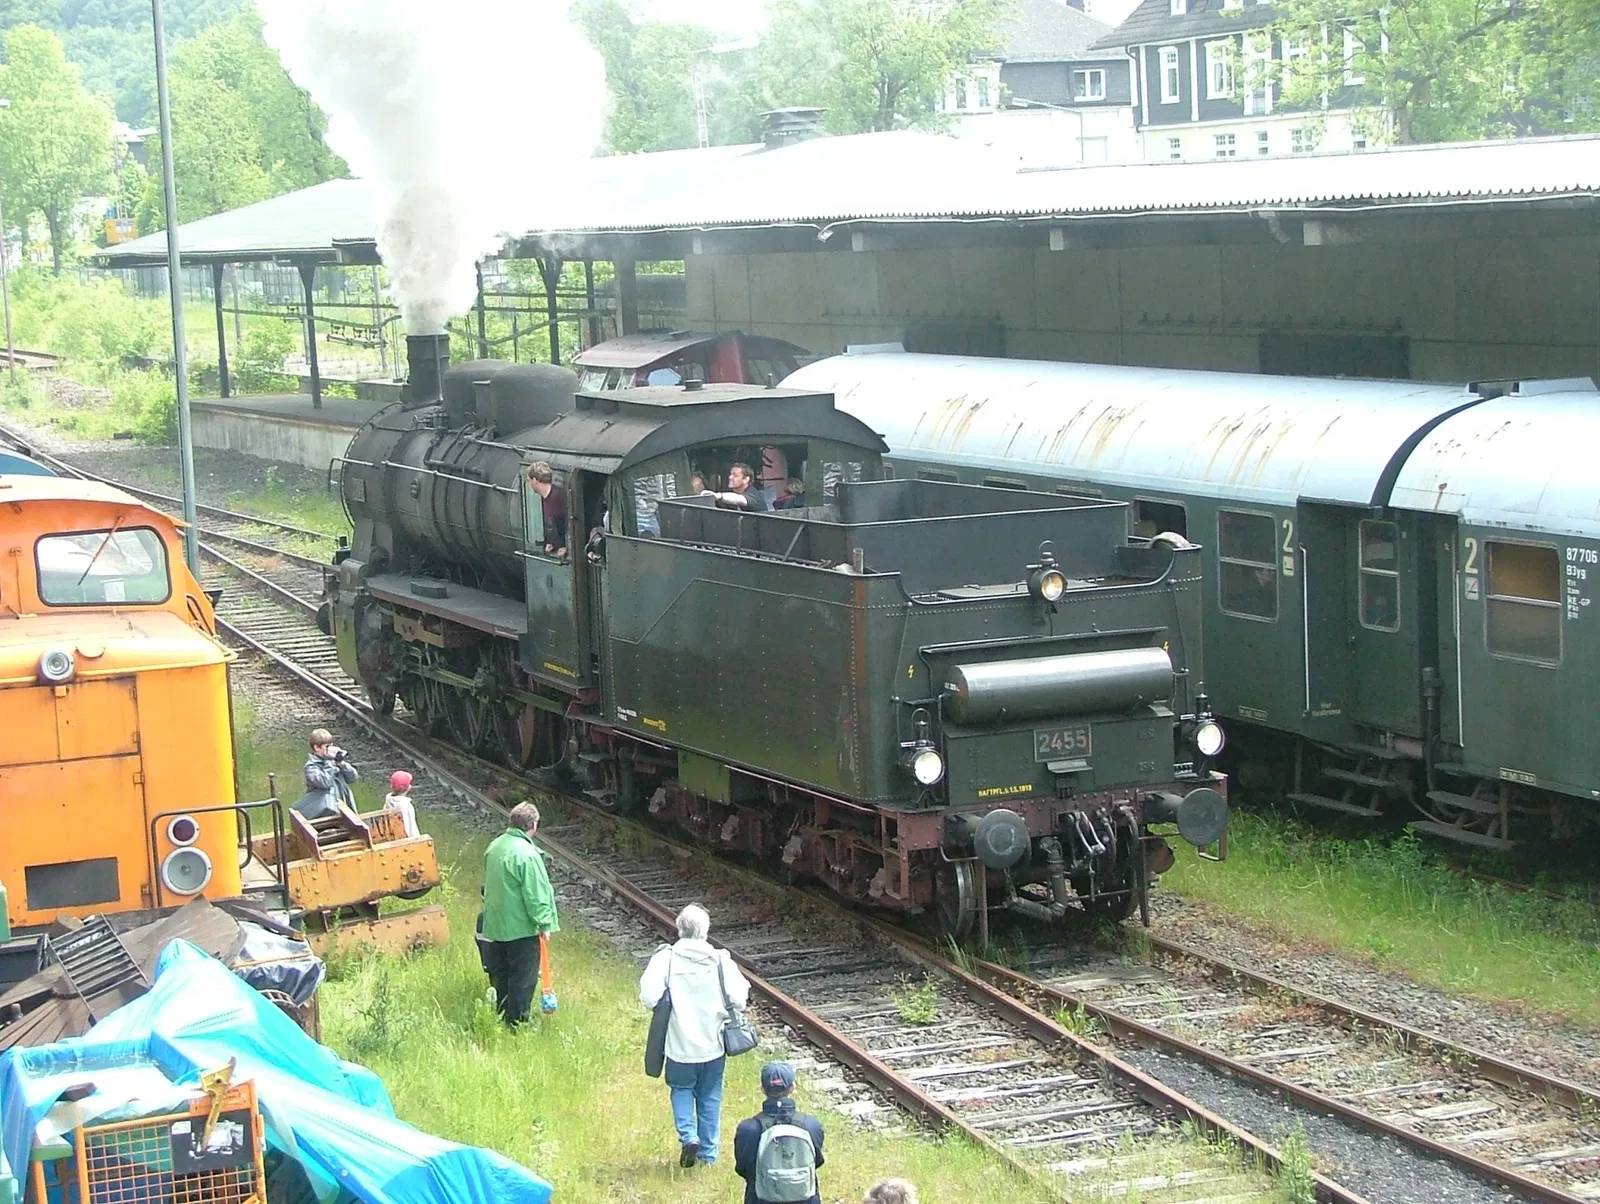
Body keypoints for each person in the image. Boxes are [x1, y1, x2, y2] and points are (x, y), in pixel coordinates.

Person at [638, 904, 751, 1168]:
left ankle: (689, 1135)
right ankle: (708, 1155)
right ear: (706, 930)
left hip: (679, 1046)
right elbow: (740, 999)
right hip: (714, 1045)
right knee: (710, 1096)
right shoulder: (721, 959)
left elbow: (648, 996)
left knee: (681, 1089)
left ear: (679, 929)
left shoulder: (665, 958)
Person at [481, 801, 559, 1027]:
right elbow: (535, 894)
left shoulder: (494, 846)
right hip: (521, 927)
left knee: (502, 974)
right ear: (533, 825)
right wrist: (544, 924)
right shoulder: (527, 854)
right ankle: (517, 1024)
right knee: (523, 978)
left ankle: (502, 1016)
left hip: (496, 924)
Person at [733, 1061, 825, 1204]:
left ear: (762, 1089)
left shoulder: (747, 1129)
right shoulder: (811, 1125)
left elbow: (743, 1168)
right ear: (792, 1088)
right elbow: (817, 1161)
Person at [291, 729, 361, 823]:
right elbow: (325, 783)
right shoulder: (311, 766)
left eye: (331, 745)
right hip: (323, 810)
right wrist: (329, 761)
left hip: (342, 804)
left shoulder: (332, 762)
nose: (330, 749)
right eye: (327, 746)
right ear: (316, 747)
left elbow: (353, 778)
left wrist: (341, 763)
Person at [526, 461, 568, 559]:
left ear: (535, 480)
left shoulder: (558, 498)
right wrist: (552, 542)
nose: (529, 484)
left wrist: (564, 546)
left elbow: (566, 524)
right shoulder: (546, 498)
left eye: (529, 480)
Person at [705, 461, 770, 511]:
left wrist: (718, 496)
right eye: (730, 474)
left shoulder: (754, 495)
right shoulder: (732, 496)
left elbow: (739, 499)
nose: (730, 477)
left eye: (735, 475)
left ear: (746, 479)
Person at [384, 770, 419, 839]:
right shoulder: (406, 807)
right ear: (408, 788)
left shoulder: (388, 800)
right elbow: (410, 828)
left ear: (391, 786)